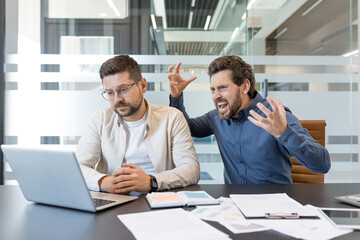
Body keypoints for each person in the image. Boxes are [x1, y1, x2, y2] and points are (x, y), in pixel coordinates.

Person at [168, 55, 331, 184]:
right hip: (233, 209)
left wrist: (284, 133)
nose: (216, 95)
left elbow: (322, 164)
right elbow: (185, 128)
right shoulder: (215, 118)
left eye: (222, 88)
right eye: (213, 90)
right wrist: (176, 97)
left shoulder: (275, 116)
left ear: (245, 87)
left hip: (275, 207)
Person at [76, 55, 200, 194]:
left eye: (123, 89)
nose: (117, 100)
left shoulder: (172, 117)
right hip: (113, 200)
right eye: (110, 93)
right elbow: (79, 167)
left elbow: (191, 169)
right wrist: (102, 181)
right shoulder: (100, 119)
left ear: (142, 85)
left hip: (159, 200)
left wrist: (151, 181)